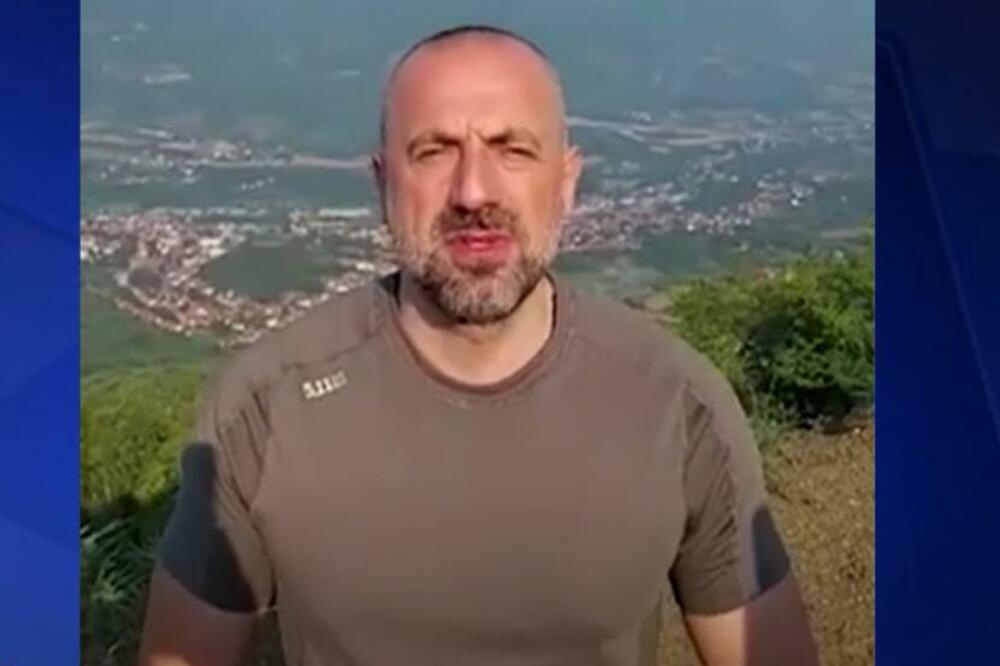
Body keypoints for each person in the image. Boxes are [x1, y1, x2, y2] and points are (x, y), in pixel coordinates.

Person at [138, 25, 818, 666]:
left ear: (567, 183)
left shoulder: (678, 405)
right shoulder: (266, 407)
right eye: (433, 151)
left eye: (512, 149)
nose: (472, 191)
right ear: (382, 183)